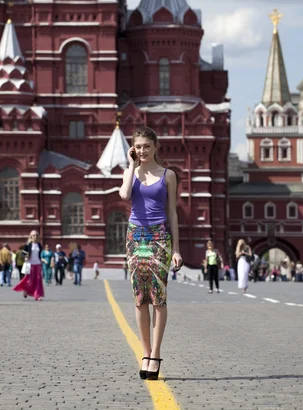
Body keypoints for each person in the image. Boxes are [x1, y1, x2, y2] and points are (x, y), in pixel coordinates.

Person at [119, 126, 182, 381]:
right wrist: (131, 166)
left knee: (158, 297)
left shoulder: (168, 175)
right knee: (139, 298)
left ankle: (155, 354)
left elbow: (173, 212)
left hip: (159, 237)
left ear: (156, 146)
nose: (143, 150)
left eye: (147, 146)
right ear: (133, 148)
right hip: (135, 236)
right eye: (138, 146)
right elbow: (124, 195)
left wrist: (176, 248)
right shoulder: (130, 172)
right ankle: (144, 353)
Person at [13, 230, 45, 301]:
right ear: (31, 236)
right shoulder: (27, 245)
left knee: (38, 280)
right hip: (30, 264)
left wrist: (42, 260)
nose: (35, 236)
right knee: (29, 280)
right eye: (34, 235)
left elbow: (39, 254)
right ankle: (25, 289)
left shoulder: (39, 245)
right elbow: (23, 254)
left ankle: (37, 295)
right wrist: (26, 257)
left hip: (38, 264)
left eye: (37, 235)